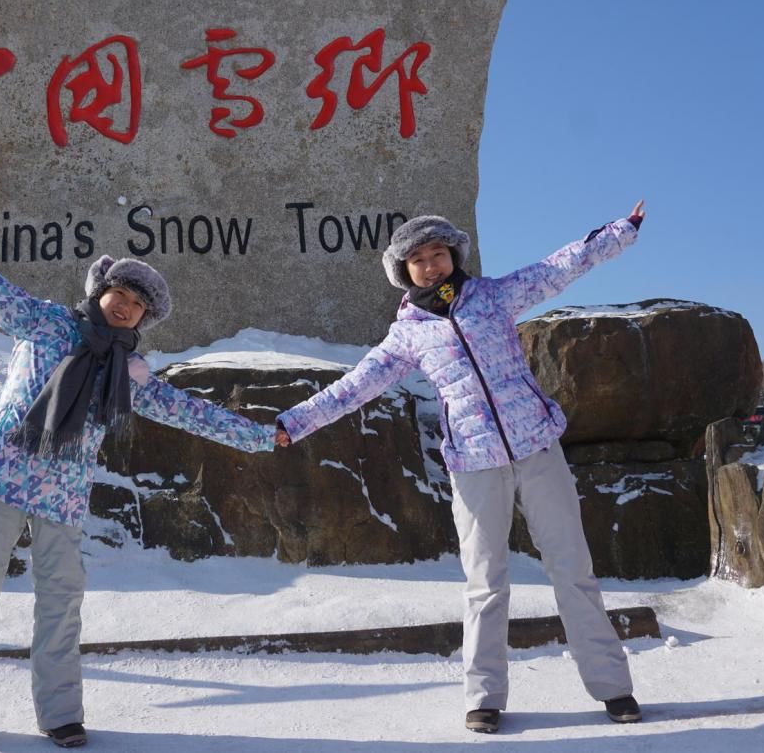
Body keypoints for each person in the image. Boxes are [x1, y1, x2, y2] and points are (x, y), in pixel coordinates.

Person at [0, 214, 275, 749]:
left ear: (144, 317)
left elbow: (190, 412)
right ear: (100, 290)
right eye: (119, 292)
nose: (125, 306)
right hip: (2, 475)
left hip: (62, 494)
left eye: (137, 304)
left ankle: (59, 714)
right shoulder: (44, 323)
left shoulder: (129, 370)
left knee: (60, 604)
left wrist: (261, 438)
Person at [274, 202, 647, 734]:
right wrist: (296, 422)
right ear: (404, 273)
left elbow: (557, 269)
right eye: (419, 260)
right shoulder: (407, 334)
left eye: (438, 253)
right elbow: (355, 387)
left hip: (538, 448)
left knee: (572, 569)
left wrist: (619, 232)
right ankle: (484, 696)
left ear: (454, 255)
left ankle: (613, 688)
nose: (431, 265)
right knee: (485, 583)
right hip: (474, 463)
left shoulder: (491, 298)